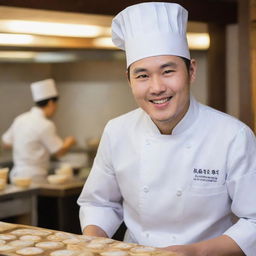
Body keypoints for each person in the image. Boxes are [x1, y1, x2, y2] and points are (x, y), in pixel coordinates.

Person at [77, 2, 256, 256]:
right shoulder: (117, 131)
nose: (157, 87)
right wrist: (93, 243)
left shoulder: (232, 136)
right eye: (142, 76)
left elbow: (254, 222)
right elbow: (99, 203)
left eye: (168, 71)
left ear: (191, 71)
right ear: (129, 80)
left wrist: (193, 252)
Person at [1, 78, 76, 182]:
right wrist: (69, 142)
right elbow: (59, 152)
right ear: (50, 103)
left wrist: (24, 145)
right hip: (34, 177)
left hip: (16, 175)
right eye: (56, 104)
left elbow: (6, 143)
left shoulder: (20, 119)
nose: (56, 108)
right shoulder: (46, 125)